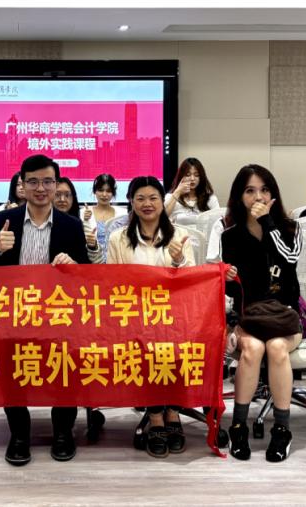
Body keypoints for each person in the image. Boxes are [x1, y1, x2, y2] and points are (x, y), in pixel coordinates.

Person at [0, 155, 90, 466]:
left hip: (58, 313)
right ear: (22, 185)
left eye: (48, 181)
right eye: (34, 182)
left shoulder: (71, 225)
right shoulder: (3, 220)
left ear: (56, 184)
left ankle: (63, 432)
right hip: (13, 312)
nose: (41, 188)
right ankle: (19, 435)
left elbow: (86, 274)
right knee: (13, 373)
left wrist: (74, 266)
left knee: (63, 369)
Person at [106, 176, 195, 457]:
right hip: (133, 316)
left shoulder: (180, 236)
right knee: (149, 344)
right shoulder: (118, 239)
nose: (147, 204)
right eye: (141, 198)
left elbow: (193, 285)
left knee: (174, 343)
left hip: (174, 315)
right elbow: (112, 285)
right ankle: (156, 416)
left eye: (154, 198)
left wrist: (179, 261)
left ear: (162, 201)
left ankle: (173, 412)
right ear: (131, 202)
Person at [220, 164, 302, 463]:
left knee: (277, 347)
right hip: (249, 318)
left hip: (285, 315)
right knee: (253, 349)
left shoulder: (291, 229)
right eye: (250, 190)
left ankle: (282, 429)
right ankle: (238, 426)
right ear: (239, 197)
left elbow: (290, 259)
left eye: (264, 190)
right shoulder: (229, 235)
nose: (258, 196)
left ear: (273, 194)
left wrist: (267, 222)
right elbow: (230, 292)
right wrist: (226, 277)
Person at [54, 177, 104, 263]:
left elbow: (96, 263)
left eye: (67, 195)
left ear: (73, 198)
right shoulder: (44, 223)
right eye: (57, 195)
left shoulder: (80, 224)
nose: (62, 199)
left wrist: (92, 247)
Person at [165, 157, 218, 225]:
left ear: (201, 177)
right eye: (188, 175)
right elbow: (161, 220)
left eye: (196, 175)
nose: (192, 179)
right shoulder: (170, 197)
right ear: (181, 176)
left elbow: (217, 222)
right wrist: (177, 192)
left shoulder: (210, 199)